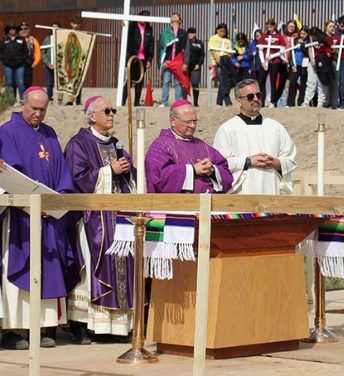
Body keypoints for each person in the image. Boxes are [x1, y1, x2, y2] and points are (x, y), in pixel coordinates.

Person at [0, 87, 80, 349]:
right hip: (20, 217)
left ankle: (44, 326)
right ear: (22, 104)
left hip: (48, 217)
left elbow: (62, 173)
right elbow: (10, 172)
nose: (38, 114)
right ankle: (14, 330)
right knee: (20, 262)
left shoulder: (49, 133)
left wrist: (56, 201)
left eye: (43, 110)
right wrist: (30, 201)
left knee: (48, 267)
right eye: (34, 108)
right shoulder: (7, 132)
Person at [64, 96, 135, 344]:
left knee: (123, 266)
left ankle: (116, 327)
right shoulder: (79, 144)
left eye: (113, 110)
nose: (112, 114)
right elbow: (76, 178)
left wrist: (127, 169)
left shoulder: (116, 144)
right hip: (92, 218)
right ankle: (82, 325)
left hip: (119, 218)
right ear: (92, 115)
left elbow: (128, 180)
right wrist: (109, 171)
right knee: (91, 270)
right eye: (106, 110)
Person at [213, 79, 297, 195]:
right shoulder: (227, 129)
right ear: (239, 101)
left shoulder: (276, 127)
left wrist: (275, 162)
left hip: (271, 189)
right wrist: (248, 161)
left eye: (258, 95)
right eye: (250, 96)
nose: (256, 99)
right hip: (242, 192)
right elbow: (220, 164)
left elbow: (290, 159)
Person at [145, 99, 232, 194]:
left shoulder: (202, 146)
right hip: (176, 206)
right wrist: (192, 170)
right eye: (188, 122)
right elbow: (157, 178)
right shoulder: (161, 145)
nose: (193, 126)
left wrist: (212, 170)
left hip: (206, 205)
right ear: (173, 121)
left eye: (195, 121)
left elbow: (226, 172)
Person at [122, 10, 154, 107]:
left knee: (139, 81)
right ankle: (123, 101)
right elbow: (126, 29)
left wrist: (149, 59)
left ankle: (136, 102)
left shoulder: (149, 28)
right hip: (132, 56)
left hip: (142, 58)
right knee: (130, 80)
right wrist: (124, 24)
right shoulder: (133, 25)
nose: (144, 20)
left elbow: (150, 45)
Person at [158, 13, 189, 107]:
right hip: (167, 61)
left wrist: (185, 63)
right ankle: (164, 102)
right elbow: (161, 48)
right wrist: (162, 61)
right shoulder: (165, 33)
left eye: (176, 17)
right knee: (166, 81)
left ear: (180, 20)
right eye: (172, 17)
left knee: (178, 83)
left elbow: (187, 48)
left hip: (178, 61)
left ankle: (178, 102)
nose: (174, 18)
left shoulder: (183, 33)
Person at [257, 19, 287, 107]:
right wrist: (263, 62)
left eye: (271, 27)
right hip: (265, 62)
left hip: (275, 62)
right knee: (261, 81)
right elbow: (260, 49)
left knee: (273, 81)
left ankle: (273, 102)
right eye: (267, 27)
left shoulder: (279, 36)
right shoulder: (264, 36)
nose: (269, 29)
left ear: (274, 26)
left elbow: (282, 50)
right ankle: (260, 102)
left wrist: (272, 56)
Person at [302, 26, 333, 108]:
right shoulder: (311, 39)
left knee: (322, 82)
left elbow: (330, 48)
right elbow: (310, 48)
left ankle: (320, 103)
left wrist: (327, 55)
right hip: (313, 62)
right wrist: (312, 60)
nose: (313, 37)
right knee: (311, 82)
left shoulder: (325, 39)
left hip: (323, 62)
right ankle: (306, 101)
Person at [0, 22, 28, 101]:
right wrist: (4, 60)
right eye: (10, 29)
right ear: (7, 30)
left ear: (16, 30)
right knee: (9, 82)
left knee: (20, 82)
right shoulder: (3, 40)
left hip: (20, 65)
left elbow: (26, 52)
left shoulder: (21, 39)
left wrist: (22, 60)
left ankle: (23, 100)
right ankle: (10, 100)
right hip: (7, 65)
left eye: (14, 29)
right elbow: (0, 52)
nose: (12, 30)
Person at [209, 23, 234, 106]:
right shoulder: (213, 38)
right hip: (217, 63)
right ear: (217, 30)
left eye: (224, 32)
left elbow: (230, 52)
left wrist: (225, 58)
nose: (222, 33)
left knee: (223, 82)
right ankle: (228, 102)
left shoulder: (228, 41)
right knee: (223, 81)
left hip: (226, 63)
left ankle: (218, 103)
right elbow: (212, 50)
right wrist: (217, 58)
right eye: (221, 31)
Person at [286, 26, 308, 107]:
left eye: (304, 34)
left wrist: (302, 44)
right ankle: (290, 103)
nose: (302, 35)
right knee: (292, 83)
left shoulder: (308, 42)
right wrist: (292, 65)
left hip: (304, 66)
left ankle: (300, 102)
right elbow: (291, 54)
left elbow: (306, 52)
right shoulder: (295, 41)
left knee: (303, 84)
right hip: (295, 66)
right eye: (301, 33)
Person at [41, 22, 60, 101]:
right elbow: (43, 53)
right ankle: (49, 97)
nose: (54, 29)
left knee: (60, 84)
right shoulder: (47, 39)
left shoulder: (61, 38)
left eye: (56, 27)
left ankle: (60, 99)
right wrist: (48, 63)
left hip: (59, 66)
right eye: (53, 27)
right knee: (49, 84)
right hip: (49, 65)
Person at [18, 23, 41, 91]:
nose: (23, 30)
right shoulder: (16, 39)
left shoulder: (33, 40)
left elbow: (37, 53)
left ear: (29, 30)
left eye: (25, 28)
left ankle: (27, 99)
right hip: (18, 65)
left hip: (28, 65)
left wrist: (35, 63)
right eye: (21, 29)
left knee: (28, 83)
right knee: (18, 83)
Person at [187, 27, 205, 107]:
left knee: (195, 84)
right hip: (186, 67)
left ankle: (195, 102)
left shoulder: (199, 43)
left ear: (195, 34)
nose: (190, 34)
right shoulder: (185, 42)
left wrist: (199, 64)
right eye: (189, 32)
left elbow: (202, 55)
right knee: (185, 85)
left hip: (195, 67)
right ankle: (184, 101)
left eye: (192, 32)